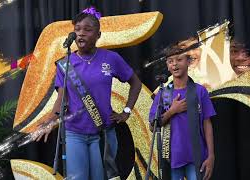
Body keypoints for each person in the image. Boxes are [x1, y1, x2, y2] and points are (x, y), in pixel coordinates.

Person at [34, 7, 142, 180]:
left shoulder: (111, 58)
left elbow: (135, 83)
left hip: (103, 132)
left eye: (87, 29)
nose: (81, 34)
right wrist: (49, 121)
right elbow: (62, 99)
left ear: (98, 35)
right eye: (77, 29)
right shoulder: (66, 63)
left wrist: (126, 112)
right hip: (74, 132)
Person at [149, 45, 216, 180]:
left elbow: (207, 123)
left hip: (197, 157)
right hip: (171, 158)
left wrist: (211, 155)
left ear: (188, 62)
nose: (175, 64)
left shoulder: (199, 91)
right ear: (167, 66)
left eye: (179, 59)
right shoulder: (164, 93)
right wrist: (172, 111)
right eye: (170, 61)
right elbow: (152, 126)